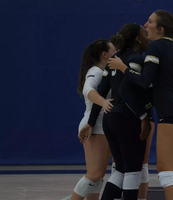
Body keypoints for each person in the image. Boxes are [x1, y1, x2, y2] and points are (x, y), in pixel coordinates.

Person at [107, 10, 173, 200]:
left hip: (171, 113)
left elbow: (142, 81)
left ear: (161, 28)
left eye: (149, 22)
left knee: (166, 173)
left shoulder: (156, 47)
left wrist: (122, 67)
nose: (146, 25)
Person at [80, 23, 151, 200]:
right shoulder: (136, 59)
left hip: (109, 120)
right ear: (137, 38)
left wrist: (91, 121)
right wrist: (144, 116)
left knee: (120, 171)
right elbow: (125, 92)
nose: (148, 35)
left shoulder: (115, 59)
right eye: (145, 33)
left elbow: (102, 91)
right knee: (133, 172)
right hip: (127, 118)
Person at [71, 39, 116, 200]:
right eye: (114, 50)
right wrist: (103, 102)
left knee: (99, 176)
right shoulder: (95, 71)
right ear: (105, 55)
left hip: (103, 125)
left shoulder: (106, 72)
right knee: (95, 173)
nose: (117, 52)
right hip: (94, 125)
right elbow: (88, 90)